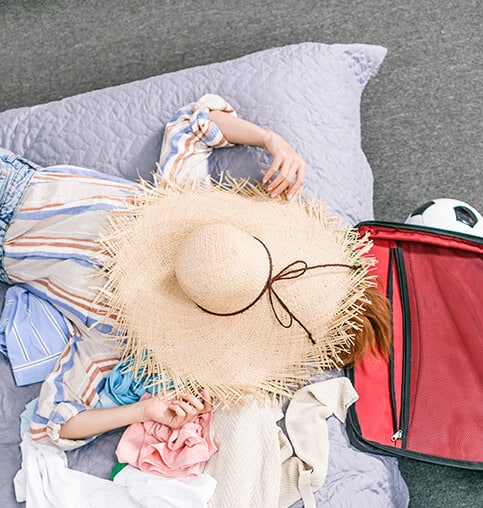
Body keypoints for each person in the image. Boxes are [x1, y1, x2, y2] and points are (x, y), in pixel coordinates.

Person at [0, 93, 391, 450]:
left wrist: (142, 412)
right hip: (15, 177)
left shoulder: (122, 332)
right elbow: (196, 122)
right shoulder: (186, 202)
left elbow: (52, 424)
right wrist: (274, 141)